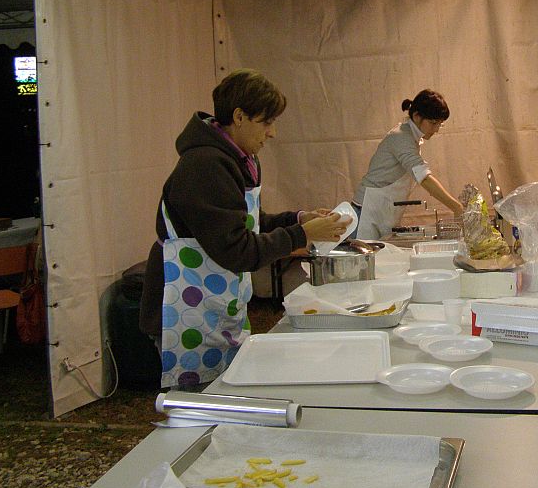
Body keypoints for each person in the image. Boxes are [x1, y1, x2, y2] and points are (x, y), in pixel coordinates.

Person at [139, 68, 347, 389]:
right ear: (238, 117)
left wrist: (299, 218)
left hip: (215, 301)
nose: (273, 133)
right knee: (199, 404)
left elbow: (251, 221)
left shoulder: (238, 158)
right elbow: (238, 249)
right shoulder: (205, 165)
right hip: (184, 308)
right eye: (267, 122)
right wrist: (302, 235)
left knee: (225, 391)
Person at [352, 89, 463, 240]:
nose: (436, 129)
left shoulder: (411, 137)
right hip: (364, 213)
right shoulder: (401, 137)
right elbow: (423, 177)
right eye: (433, 123)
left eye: (440, 124)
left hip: (377, 210)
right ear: (417, 116)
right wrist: (456, 207)